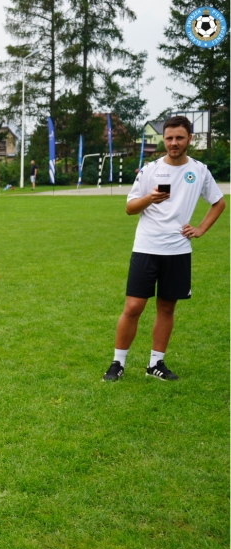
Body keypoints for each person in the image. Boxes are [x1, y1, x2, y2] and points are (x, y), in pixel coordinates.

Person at [102, 115, 225, 382]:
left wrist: (201, 228)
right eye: (169, 138)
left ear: (189, 139)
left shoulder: (200, 171)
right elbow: (129, 208)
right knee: (133, 306)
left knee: (167, 308)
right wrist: (150, 198)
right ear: (164, 140)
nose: (173, 143)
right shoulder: (150, 170)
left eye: (179, 138)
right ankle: (117, 363)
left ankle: (155, 363)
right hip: (147, 247)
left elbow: (218, 202)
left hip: (178, 251)